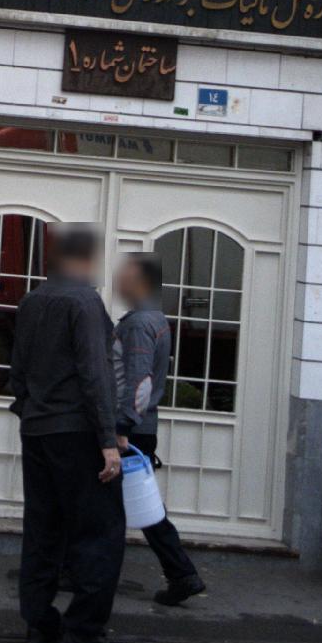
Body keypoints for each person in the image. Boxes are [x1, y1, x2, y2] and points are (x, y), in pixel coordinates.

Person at [9, 223, 128, 643]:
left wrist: (30, 411)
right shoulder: (84, 302)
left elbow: (17, 371)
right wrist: (108, 439)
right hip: (77, 433)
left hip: (37, 430)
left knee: (43, 530)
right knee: (100, 534)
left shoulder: (31, 301)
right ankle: (84, 632)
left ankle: (39, 625)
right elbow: (95, 374)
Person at [113, 250, 206, 607]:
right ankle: (182, 574)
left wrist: (121, 428)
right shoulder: (153, 319)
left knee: (120, 505)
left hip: (129, 430)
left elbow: (139, 383)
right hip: (139, 427)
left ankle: (181, 574)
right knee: (140, 505)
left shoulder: (139, 323)